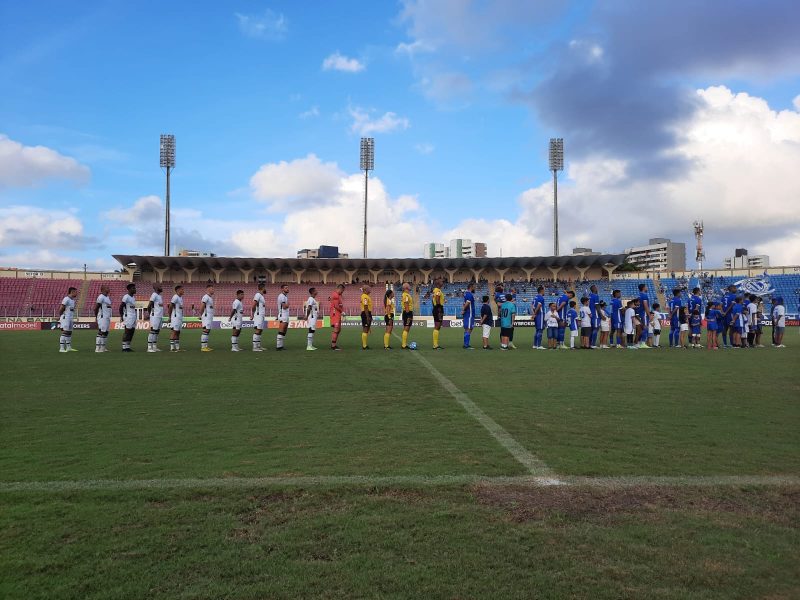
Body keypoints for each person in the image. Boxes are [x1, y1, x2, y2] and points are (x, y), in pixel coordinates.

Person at [58, 286, 79, 352]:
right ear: (72, 292)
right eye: (76, 292)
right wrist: (61, 316)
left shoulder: (72, 300)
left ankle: (68, 347)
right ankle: (61, 348)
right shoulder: (66, 299)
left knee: (69, 332)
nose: (77, 294)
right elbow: (61, 308)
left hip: (70, 317)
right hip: (65, 317)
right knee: (65, 332)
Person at [146, 284, 164, 353]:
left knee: (157, 332)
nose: (161, 287)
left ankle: (154, 347)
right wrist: (151, 314)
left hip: (159, 316)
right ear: (155, 288)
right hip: (155, 316)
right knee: (152, 331)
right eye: (160, 286)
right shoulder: (154, 295)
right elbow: (149, 305)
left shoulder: (159, 296)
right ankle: (149, 347)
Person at [119, 283, 137, 352]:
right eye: (133, 288)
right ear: (129, 289)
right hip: (128, 316)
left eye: (135, 288)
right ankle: (124, 347)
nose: (135, 289)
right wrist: (121, 315)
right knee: (127, 331)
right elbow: (121, 307)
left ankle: (128, 346)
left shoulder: (133, 297)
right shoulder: (126, 297)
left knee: (132, 331)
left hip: (133, 316)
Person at [95, 284, 112, 353]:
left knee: (106, 332)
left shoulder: (107, 297)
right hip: (102, 317)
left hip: (107, 317)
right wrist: (96, 316)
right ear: (103, 289)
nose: (109, 288)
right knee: (101, 332)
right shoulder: (101, 297)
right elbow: (96, 308)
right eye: (107, 287)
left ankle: (103, 347)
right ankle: (97, 348)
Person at [168, 285, 185, 352]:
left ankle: (177, 348)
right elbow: (170, 306)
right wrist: (170, 317)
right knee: (174, 332)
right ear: (178, 290)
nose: (183, 291)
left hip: (179, 317)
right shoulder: (175, 297)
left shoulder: (180, 298)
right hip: (175, 317)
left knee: (178, 332)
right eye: (182, 289)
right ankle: (172, 348)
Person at [251, 283, 267, 352]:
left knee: (260, 330)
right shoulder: (257, 295)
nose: (265, 289)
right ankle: (255, 347)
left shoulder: (261, 296)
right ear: (263, 288)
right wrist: (252, 314)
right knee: (258, 330)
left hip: (261, 315)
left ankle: (258, 346)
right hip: (258, 315)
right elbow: (253, 305)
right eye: (265, 288)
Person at [329, 284, 344, 350]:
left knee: (338, 329)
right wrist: (342, 311)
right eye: (342, 291)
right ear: (340, 289)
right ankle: (333, 346)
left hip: (337, 314)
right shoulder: (335, 295)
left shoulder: (337, 295)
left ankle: (334, 344)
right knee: (336, 329)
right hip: (335, 314)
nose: (342, 292)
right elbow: (336, 306)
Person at [200, 284, 215, 352]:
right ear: (208, 289)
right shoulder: (205, 297)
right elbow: (202, 306)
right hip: (206, 316)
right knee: (205, 330)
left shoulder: (210, 298)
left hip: (209, 316)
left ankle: (206, 346)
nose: (213, 290)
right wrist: (201, 314)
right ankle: (203, 347)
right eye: (212, 289)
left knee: (207, 330)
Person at [431, 278, 444, 350]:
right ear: (438, 283)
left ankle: (436, 344)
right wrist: (438, 307)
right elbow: (437, 298)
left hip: (437, 308)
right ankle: (435, 345)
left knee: (438, 326)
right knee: (437, 326)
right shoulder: (437, 290)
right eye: (441, 281)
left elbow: (433, 300)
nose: (443, 282)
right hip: (438, 308)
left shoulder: (436, 290)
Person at [462, 282, 476, 350]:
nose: (475, 288)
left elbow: (464, 303)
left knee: (467, 329)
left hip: (467, 314)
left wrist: (463, 310)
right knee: (469, 329)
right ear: (471, 287)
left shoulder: (466, 294)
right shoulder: (469, 295)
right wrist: (463, 310)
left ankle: (465, 344)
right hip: (469, 314)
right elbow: (467, 303)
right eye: (474, 287)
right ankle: (466, 345)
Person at [637, 283, 651, 349]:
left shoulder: (639, 295)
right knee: (645, 327)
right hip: (644, 313)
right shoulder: (644, 295)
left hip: (640, 313)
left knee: (642, 328)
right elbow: (645, 305)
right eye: (646, 286)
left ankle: (639, 342)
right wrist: (649, 314)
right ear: (643, 288)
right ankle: (643, 343)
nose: (647, 287)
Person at [276, 284, 289, 350]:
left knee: (284, 330)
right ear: (282, 289)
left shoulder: (285, 296)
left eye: (287, 288)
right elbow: (284, 306)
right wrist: (288, 305)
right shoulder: (281, 296)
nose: (287, 289)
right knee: (281, 330)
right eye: (286, 288)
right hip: (282, 315)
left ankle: (281, 345)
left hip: (286, 315)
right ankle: (278, 346)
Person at [305, 287, 319, 351]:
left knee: (312, 330)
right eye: (316, 290)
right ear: (313, 292)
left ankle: (310, 345)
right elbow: (309, 307)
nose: (317, 291)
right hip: (312, 317)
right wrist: (306, 316)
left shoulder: (313, 299)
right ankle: (308, 346)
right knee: (311, 330)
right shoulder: (311, 299)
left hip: (313, 317)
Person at [401, 282, 414, 350]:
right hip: (407, 312)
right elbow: (406, 304)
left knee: (407, 328)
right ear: (406, 287)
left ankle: (404, 343)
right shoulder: (406, 295)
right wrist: (408, 314)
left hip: (407, 312)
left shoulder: (406, 295)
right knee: (406, 328)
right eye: (408, 285)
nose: (410, 286)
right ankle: (404, 345)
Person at [360, 284, 373, 350]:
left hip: (367, 312)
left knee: (366, 329)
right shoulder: (365, 297)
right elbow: (365, 306)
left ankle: (365, 345)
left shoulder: (366, 296)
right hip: (365, 313)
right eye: (369, 288)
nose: (370, 289)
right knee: (365, 329)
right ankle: (364, 346)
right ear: (365, 290)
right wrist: (367, 316)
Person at [588, 284, 601, 348]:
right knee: (595, 329)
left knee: (591, 329)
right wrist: (601, 315)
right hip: (595, 315)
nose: (597, 288)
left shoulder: (590, 296)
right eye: (596, 287)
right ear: (594, 289)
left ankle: (589, 343)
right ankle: (593, 344)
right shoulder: (596, 296)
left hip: (590, 315)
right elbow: (597, 306)